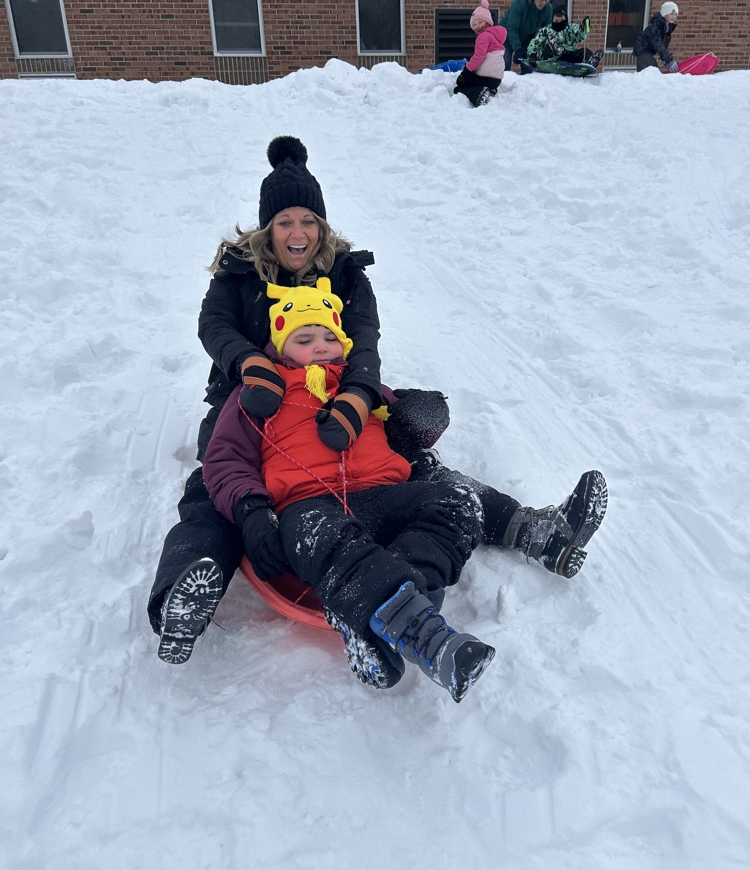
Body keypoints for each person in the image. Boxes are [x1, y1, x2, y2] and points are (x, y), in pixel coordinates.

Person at [149, 135, 607, 673]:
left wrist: (362, 396)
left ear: (322, 226)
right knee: (218, 483)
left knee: (413, 466)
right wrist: (251, 366)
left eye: (308, 221)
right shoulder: (238, 273)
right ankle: (190, 582)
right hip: (252, 395)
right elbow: (215, 326)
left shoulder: (345, 273)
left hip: (342, 390)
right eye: (284, 222)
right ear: (265, 228)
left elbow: (363, 341)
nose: (297, 233)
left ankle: (530, 529)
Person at [201, 279, 495, 703]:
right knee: (321, 534)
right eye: (304, 338)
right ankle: (422, 633)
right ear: (281, 347)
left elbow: (410, 425)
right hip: (308, 508)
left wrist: (422, 411)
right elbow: (224, 458)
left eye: (329, 337)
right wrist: (250, 511)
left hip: (380, 496)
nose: (320, 346)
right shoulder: (262, 393)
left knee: (457, 502)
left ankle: (385, 619)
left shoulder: (359, 386)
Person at [453, 0, 507, 107]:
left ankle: (479, 94)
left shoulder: (483, 36)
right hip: (496, 81)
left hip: (485, 77)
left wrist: (466, 71)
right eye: (474, 24)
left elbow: (479, 57)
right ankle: (489, 90)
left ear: (487, 22)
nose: (478, 26)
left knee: (460, 87)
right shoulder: (495, 38)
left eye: (480, 22)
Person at [499, 0, 553, 72]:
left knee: (529, 69)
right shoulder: (520, 2)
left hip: (526, 40)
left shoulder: (548, 9)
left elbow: (546, 32)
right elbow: (512, 28)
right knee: (504, 67)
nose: (543, 2)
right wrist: (518, 49)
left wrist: (541, 49)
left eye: (547, 0)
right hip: (506, 37)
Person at [527, 8, 604, 68]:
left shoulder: (570, 28)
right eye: (557, 20)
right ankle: (555, 49)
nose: (559, 22)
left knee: (585, 51)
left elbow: (579, 35)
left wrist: (583, 28)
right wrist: (532, 55)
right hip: (550, 56)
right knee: (549, 41)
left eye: (562, 20)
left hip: (568, 55)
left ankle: (590, 61)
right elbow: (535, 43)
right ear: (553, 19)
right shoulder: (546, 30)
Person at [633, 1, 679, 73]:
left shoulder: (666, 27)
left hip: (648, 52)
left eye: (675, 14)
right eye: (671, 14)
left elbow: (664, 46)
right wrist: (668, 61)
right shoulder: (656, 26)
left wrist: (667, 60)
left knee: (653, 73)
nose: (674, 17)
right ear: (665, 13)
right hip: (643, 51)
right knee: (652, 73)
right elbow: (658, 44)